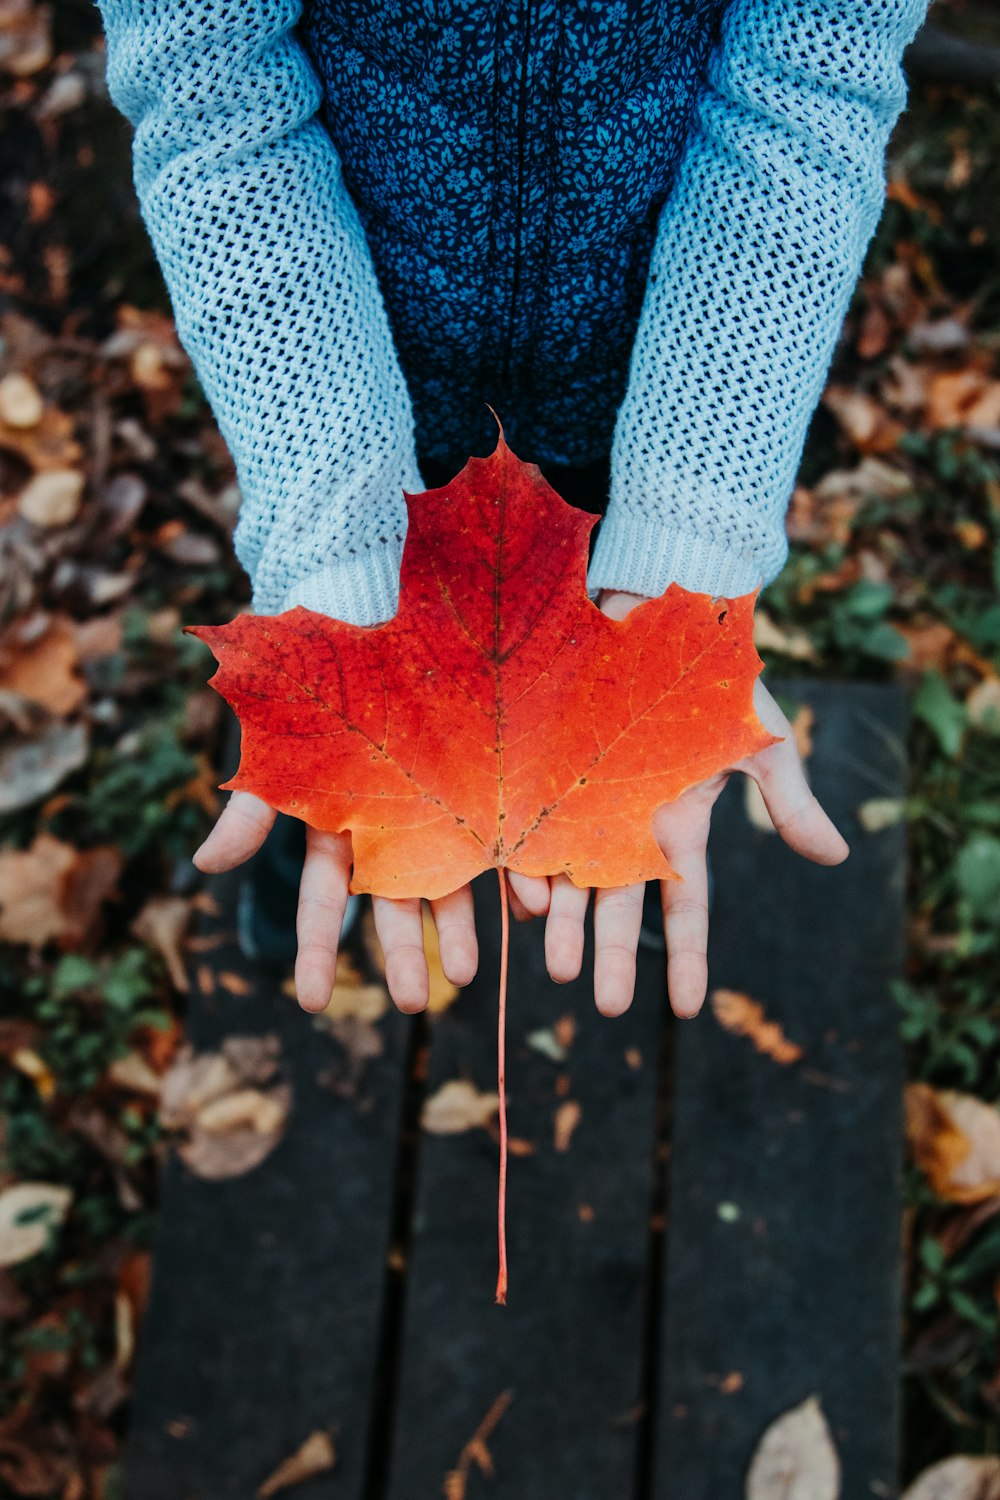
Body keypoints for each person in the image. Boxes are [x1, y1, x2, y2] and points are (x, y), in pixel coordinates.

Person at [95, 0, 928, 1021]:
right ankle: (332, 833)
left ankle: (623, 824)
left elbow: (810, 90)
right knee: (348, 676)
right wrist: (330, 550)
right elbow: (209, 93)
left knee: (607, 683)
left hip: (664, 378)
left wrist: (691, 539)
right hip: (346, 377)